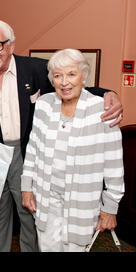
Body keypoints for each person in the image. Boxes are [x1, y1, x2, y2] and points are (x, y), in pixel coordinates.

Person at [0, 19, 123, 252]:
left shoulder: (36, 68)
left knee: (30, 215)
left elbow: (70, 81)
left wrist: (110, 93)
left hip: (27, 151)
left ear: (11, 45)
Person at [21, 49, 124, 251]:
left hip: (81, 202)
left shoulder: (102, 109)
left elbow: (114, 164)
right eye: (58, 76)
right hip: (45, 198)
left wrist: (110, 208)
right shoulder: (44, 104)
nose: (64, 82)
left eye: (71, 74)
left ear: (84, 76)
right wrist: (26, 188)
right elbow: (33, 148)